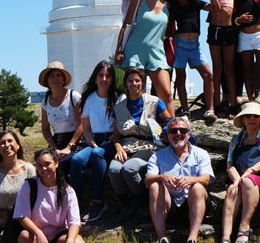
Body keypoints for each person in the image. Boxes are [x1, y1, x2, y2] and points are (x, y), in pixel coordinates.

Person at [146, 116, 214, 243]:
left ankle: (192, 242)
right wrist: (162, 177)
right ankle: (163, 239)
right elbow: (147, 180)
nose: (178, 134)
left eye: (182, 130)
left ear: (189, 134)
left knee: (197, 187)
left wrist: (191, 180)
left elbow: (207, 179)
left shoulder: (200, 154)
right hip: (169, 206)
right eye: (173, 130)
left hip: (193, 204)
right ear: (168, 135)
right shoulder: (157, 156)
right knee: (154, 185)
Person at [218, 101, 260, 243]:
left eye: (255, 116)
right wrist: (237, 180)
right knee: (232, 189)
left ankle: (244, 228)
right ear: (243, 120)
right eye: (248, 116)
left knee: (246, 181)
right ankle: (225, 239)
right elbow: (230, 164)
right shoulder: (236, 140)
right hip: (240, 179)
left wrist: (248, 173)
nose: (251, 119)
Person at [107, 67, 169, 217]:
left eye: (137, 80)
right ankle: (126, 203)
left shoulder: (155, 102)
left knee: (129, 168)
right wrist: (118, 148)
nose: (133, 83)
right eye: (130, 80)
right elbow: (116, 135)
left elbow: (169, 121)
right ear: (125, 83)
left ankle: (141, 202)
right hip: (127, 146)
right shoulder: (119, 108)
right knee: (114, 170)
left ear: (142, 82)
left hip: (150, 145)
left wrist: (165, 134)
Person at [67, 61, 123, 224]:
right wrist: (93, 144)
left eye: (107, 76)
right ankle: (75, 203)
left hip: (113, 139)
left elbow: (117, 128)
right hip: (94, 140)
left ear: (112, 79)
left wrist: (101, 146)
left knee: (98, 154)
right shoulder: (89, 99)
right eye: (101, 75)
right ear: (95, 77)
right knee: (77, 160)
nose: (104, 79)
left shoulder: (119, 97)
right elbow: (86, 129)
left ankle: (98, 202)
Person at [15, 148, 87, 243]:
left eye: (47, 164)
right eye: (39, 165)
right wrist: (38, 233)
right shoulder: (29, 186)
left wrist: (69, 242)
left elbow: (74, 222)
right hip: (36, 236)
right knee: (24, 237)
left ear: (56, 163)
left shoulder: (67, 191)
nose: (44, 169)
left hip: (58, 236)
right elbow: (22, 216)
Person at [117, 0, 174, 108]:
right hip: (135, 52)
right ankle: (135, 128)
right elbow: (125, 25)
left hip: (157, 53)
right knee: (135, 95)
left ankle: (173, 127)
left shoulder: (169, 3)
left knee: (166, 94)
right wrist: (118, 50)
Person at [197, 0, 237, 118]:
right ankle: (215, 105)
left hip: (228, 30)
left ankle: (233, 103)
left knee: (229, 68)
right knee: (217, 67)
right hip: (214, 30)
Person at [167, 0, 216, 121]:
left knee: (208, 75)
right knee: (181, 77)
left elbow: (215, 8)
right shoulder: (173, 7)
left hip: (195, 45)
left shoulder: (196, 4)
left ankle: (210, 109)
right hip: (180, 44)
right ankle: (186, 111)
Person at [39, 62, 82, 161]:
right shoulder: (45, 102)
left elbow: (81, 125)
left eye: (58, 75)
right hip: (56, 142)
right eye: (52, 76)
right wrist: (54, 148)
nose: (55, 79)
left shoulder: (74, 96)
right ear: (47, 81)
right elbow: (45, 129)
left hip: (75, 141)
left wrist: (69, 147)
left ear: (63, 79)